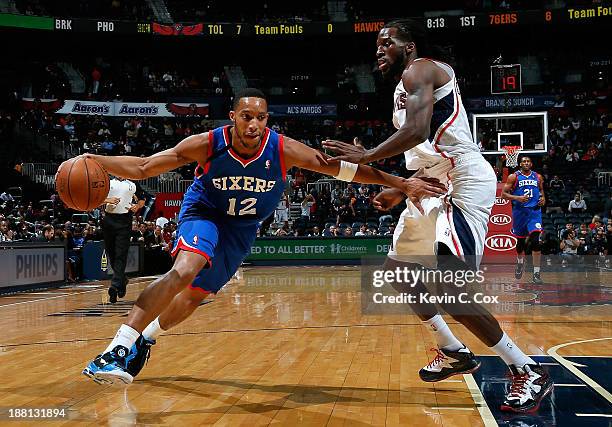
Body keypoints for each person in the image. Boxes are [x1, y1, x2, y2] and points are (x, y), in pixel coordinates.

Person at [75, 88, 446, 386]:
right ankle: (116, 348)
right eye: (247, 116)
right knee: (187, 268)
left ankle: (146, 339)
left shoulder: (281, 148)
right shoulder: (207, 143)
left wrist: (401, 182)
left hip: (243, 228)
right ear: (234, 117)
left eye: (261, 117)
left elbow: (341, 169)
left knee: (194, 297)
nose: (254, 124)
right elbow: (144, 167)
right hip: (205, 213)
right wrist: (95, 159)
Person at [322, 20, 552, 413]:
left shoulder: (421, 68)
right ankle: (454, 350)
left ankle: (527, 369)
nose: (379, 50)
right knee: (399, 274)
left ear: (408, 46)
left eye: (387, 43)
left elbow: (416, 130)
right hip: (432, 181)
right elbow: (425, 150)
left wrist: (366, 157)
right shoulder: (403, 86)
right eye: (376, 44)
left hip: (461, 180)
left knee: (451, 289)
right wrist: (400, 187)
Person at [501, 156, 546, 284]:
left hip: (534, 212)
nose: (526, 163)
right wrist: (517, 197)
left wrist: (543, 198)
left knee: (536, 241)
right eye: (523, 161)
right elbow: (503, 194)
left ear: (531, 164)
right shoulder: (513, 177)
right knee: (520, 244)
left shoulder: (538, 177)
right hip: (520, 212)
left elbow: (542, 191)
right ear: (520, 164)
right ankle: (520, 263)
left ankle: (536, 274)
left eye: (528, 161)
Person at [103, 177, 146, 303]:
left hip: (125, 221)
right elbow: (95, 200)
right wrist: (107, 200)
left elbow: (142, 199)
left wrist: (137, 206)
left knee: (121, 253)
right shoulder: (107, 182)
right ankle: (122, 280)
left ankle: (115, 286)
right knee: (111, 254)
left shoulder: (133, 182)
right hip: (108, 220)